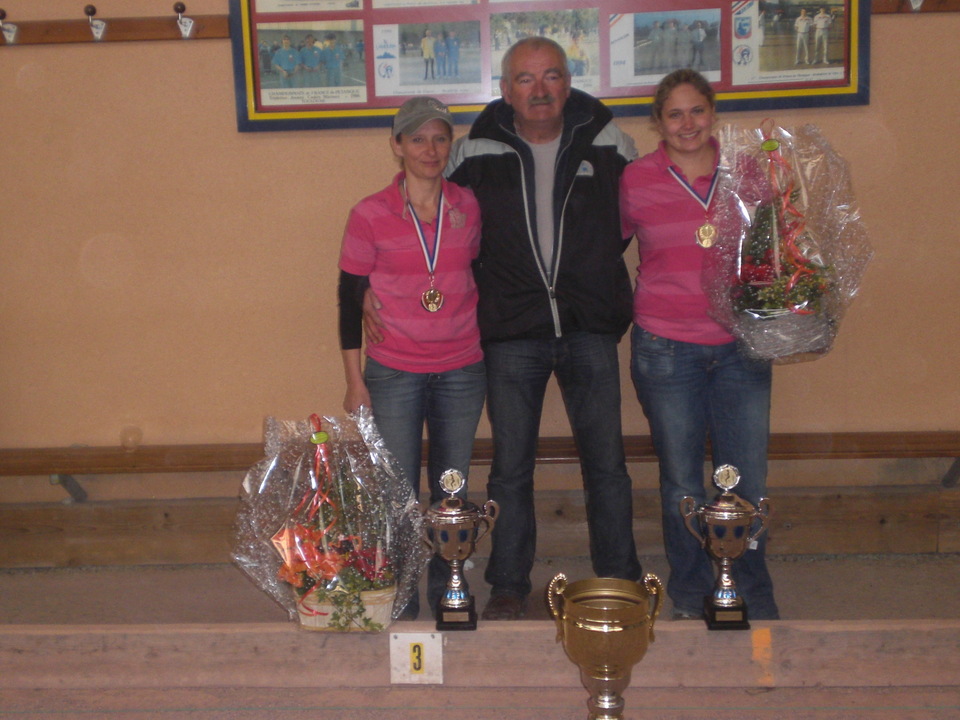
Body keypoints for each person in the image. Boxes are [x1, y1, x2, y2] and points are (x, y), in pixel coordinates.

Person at [445, 37, 643, 619]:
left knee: (607, 465)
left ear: (568, 82)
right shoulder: (472, 150)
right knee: (510, 470)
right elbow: (443, 233)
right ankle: (508, 584)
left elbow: (633, 222)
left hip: (589, 326)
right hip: (512, 331)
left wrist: (586, 273)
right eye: (525, 79)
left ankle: (620, 579)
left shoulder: (610, 142)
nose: (539, 90)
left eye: (551, 76)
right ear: (506, 90)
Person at [619, 69, 779, 621]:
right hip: (666, 348)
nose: (687, 124)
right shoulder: (635, 179)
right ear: (658, 122)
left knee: (747, 478)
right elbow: (601, 250)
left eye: (697, 111)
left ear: (712, 113)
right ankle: (688, 592)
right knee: (681, 482)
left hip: (741, 347)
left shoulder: (746, 171)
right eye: (674, 114)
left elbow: (777, 249)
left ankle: (751, 589)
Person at [337, 97, 485, 620]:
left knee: (452, 488)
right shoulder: (369, 213)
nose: (430, 149)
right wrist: (355, 382)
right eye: (418, 139)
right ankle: (401, 599)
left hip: (462, 368)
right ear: (397, 146)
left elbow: (480, 274)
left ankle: (450, 590)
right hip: (394, 371)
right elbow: (347, 298)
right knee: (396, 490)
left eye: (440, 138)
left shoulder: (468, 206)